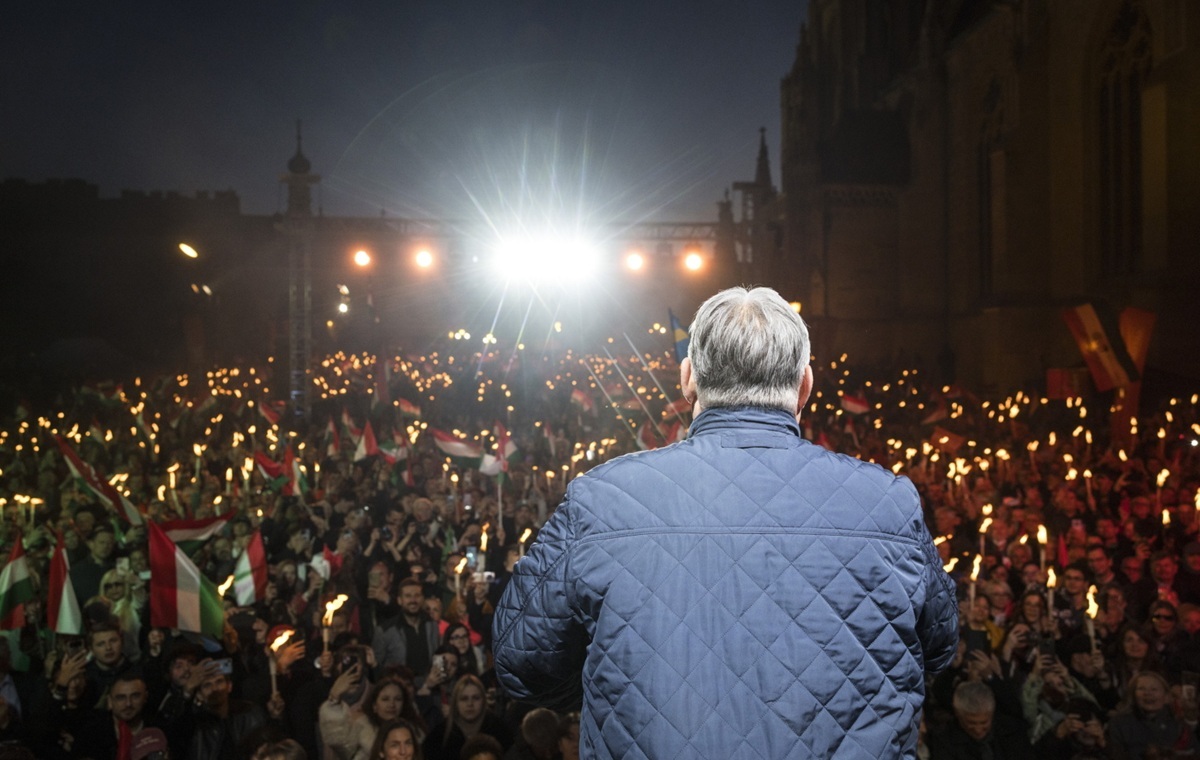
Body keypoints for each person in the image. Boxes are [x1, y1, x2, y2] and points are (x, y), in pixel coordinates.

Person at [492, 286, 958, 758]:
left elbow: (522, 662)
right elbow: (939, 647)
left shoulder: (602, 498)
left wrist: (622, 683)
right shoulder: (889, 502)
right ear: (805, 385)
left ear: (688, 378)